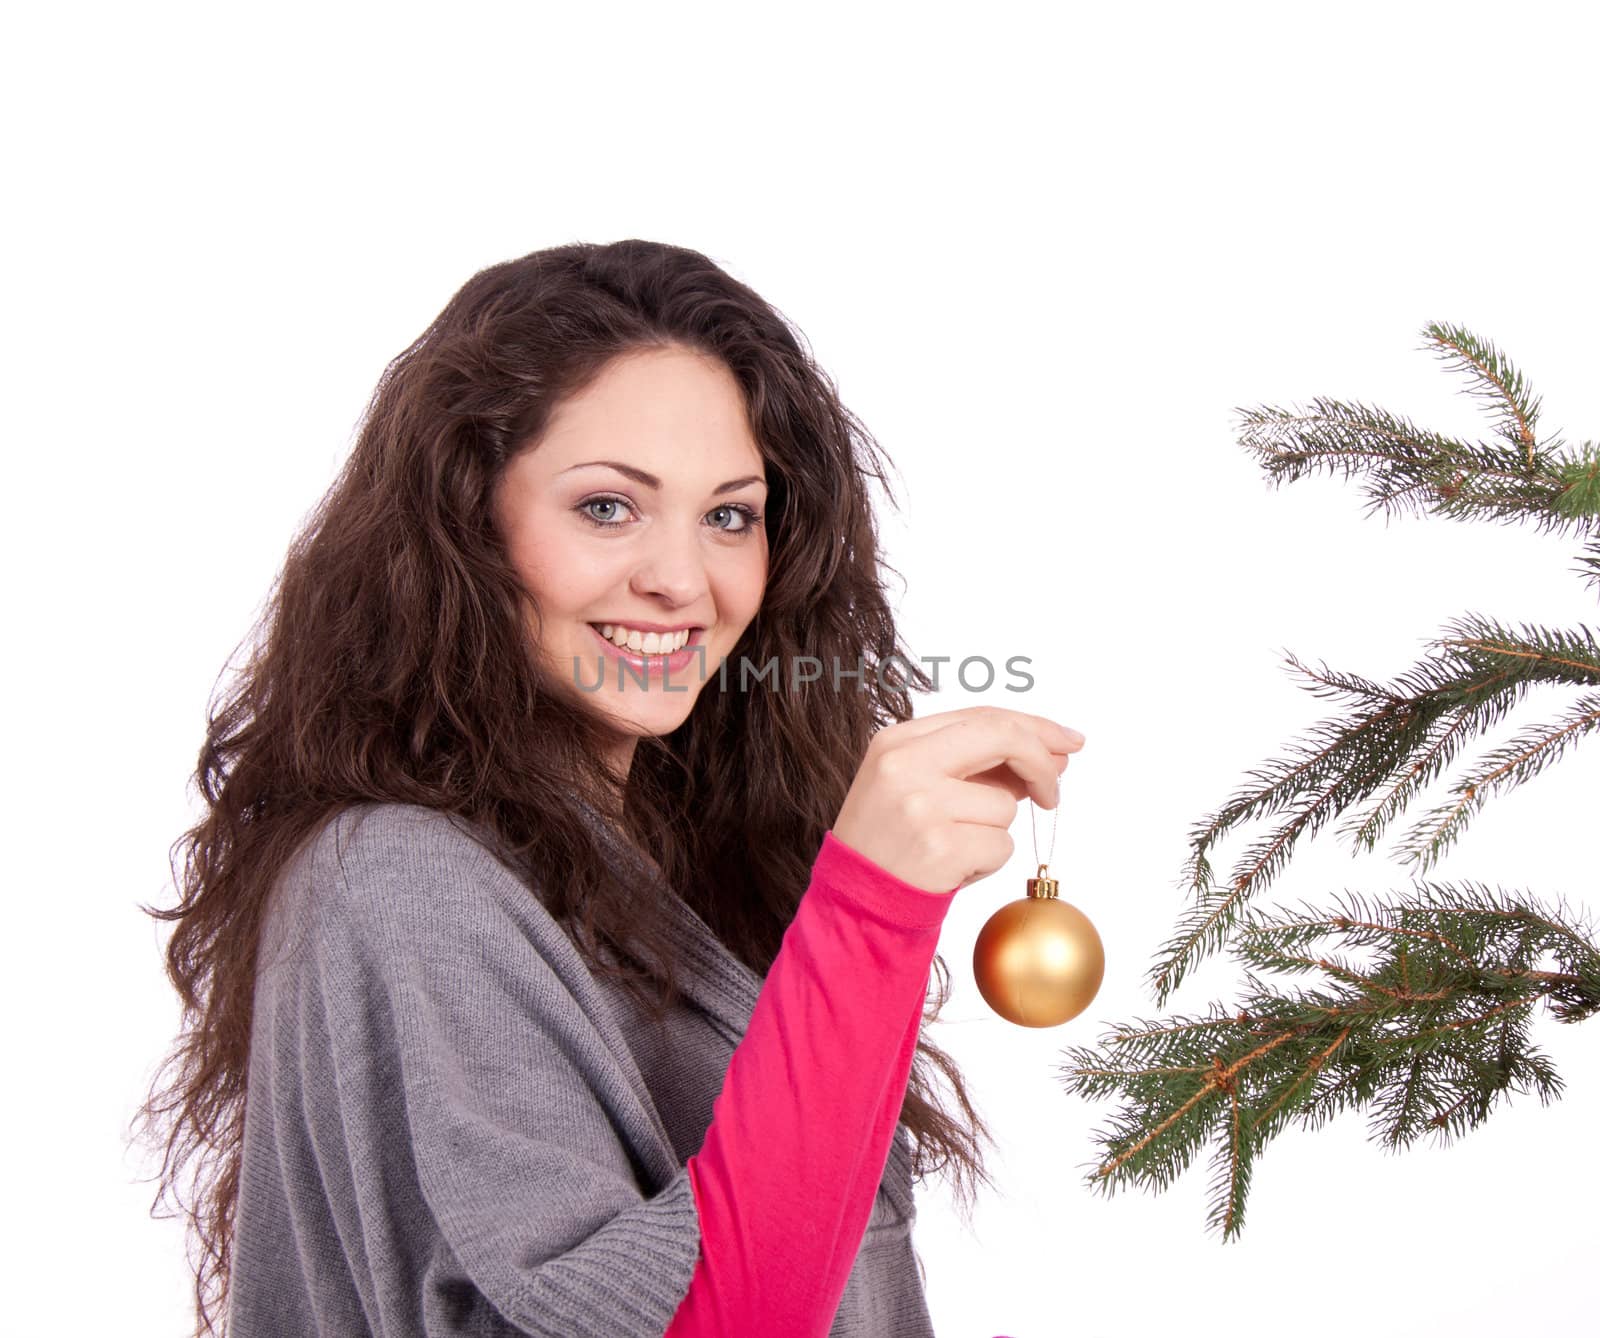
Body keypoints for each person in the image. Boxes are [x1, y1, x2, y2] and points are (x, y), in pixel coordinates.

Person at [134, 238, 1086, 1337]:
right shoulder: (398, 881)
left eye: (729, 515)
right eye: (606, 508)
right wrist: (867, 911)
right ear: (466, 519)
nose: (681, 580)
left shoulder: (671, 866)